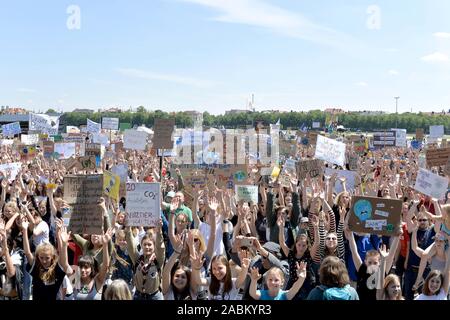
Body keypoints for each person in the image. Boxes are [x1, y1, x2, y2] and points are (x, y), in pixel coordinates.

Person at [21, 216, 72, 301]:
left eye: (47, 258)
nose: (44, 261)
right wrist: (25, 230)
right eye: (41, 258)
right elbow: (27, 252)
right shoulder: (36, 267)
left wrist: (64, 243)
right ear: (38, 257)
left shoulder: (57, 268)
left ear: (52, 257)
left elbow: (64, 259)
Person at [126, 219, 165, 300]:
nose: (147, 247)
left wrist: (159, 231)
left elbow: (160, 248)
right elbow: (130, 247)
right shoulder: (138, 259)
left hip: (154, 296)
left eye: (149, 245)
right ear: (141, 245)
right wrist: (128, 229)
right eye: (145, 244)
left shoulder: (158, 259)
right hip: (138, 296)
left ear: (154, 246)